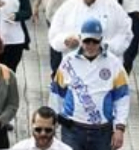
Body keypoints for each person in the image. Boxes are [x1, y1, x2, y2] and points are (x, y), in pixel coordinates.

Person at [50, 18, 129, 150]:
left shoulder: (114, 63)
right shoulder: (68, 61)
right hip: (72, 129)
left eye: (95, 41)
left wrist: (119, 128)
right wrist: (52, 123)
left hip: (102, 132)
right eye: (87, 41)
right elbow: (57, 93)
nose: (91, 45)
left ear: (101, 40)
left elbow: (122, 98)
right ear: (80, 38)